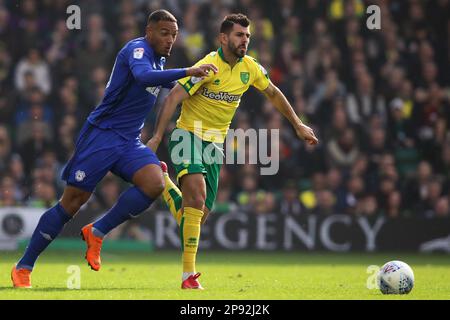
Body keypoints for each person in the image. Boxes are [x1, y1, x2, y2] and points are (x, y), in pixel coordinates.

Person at [11, 9, 217, 288]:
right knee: (71, 203)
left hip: (129, 141)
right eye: (165, 33)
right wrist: (189, 70)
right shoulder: (137, 49)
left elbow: (170, 83)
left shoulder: (160, 59)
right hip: (102, 136)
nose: (170, 39)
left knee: (154, 183)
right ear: (149, 31)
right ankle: (24, 266)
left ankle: (97, 231)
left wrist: (201, 82)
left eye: (174, 35)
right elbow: (144, 77)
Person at [147, 13, 318, 289]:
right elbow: (174, 97)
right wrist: (156, 137)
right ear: (224, 38)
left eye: (248, 36)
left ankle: (165, 186)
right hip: (187, 135)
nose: (245, 40)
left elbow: (273, 92)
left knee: (198, 214)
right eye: (239, 35)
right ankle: (188, 276)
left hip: (215, 143)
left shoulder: (249, 68)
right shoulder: (207, 65)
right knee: (198, 197)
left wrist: (298, 124)